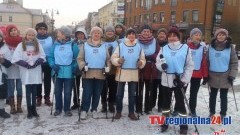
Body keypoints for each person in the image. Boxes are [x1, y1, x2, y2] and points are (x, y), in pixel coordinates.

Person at [155, 26, 194, 134]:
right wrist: (161, 66)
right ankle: (164, 123)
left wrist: (184, 80)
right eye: (170, 36)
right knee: (166, 104)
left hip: (179, 80)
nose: (172, 38)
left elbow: (189, 65)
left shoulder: (185, 48)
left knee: (180, 104)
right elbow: (158, 61)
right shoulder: (164, 48)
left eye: (174, 36)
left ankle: (183, 126)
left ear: (178, 37)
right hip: (166, 79)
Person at [111, 28, 146, 120]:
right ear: (126, 36)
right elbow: (113, 57)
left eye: (133, 34)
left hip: (133, 72)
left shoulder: (139, 46)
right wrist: (118, 60)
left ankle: (131, 112)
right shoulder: (121, 45)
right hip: (122, 72)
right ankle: (118, 111)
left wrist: (141, 63)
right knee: (119, 94)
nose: (131, 35)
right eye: (129, 34)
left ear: (135, 36)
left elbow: (143, 59)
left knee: (132, 94)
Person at [78, 26, 111, 120]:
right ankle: (84, 110)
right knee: (87, 92)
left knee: (97, 92)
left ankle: (94, 109)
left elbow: (108, 59)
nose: (96, 34)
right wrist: (82, 66)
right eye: (94, 33)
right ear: (91, 34)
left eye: (98, 33)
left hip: (100, 73)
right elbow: (80, 58)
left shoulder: (104, 45)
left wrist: (108, 67)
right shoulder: (85, 45)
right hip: (88, 72)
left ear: (101, 35)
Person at [12, 28, 46, 119]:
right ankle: (29, 110)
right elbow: (16, 57)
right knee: (28, 92)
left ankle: (34, 109)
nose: (31, 36)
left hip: (35, 70)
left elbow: (42, 56)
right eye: (29, 35)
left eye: (33, 35)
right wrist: (25, 64)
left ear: (35, 36)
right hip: (26, 70)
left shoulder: (37, 44)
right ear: (26, 35)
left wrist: (36, 62)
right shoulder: (21, 45)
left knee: (34, 91)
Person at [48, 26, 79, 117]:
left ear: (64, 35)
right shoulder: (55, 45)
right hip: (57, 72)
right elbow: (50, 57)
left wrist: (75, 67)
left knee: (67, 92)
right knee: (57, 91)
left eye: (59, 32)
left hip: (69, 72)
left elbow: (77, 58)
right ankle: (58, 108)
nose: (57, 34)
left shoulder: (73, 45)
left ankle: (67, 109)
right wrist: (53, 65)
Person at [207, 28, 238, 119]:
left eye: (223, 35)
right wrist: (206, 74)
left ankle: (223, 113)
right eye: (219, 34)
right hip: (212, 75)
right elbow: (207, 61)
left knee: (223, 96)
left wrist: (232, 75)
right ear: (216, 36)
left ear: (226, 36)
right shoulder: (211, 46)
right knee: (212, 95)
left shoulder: (230, 47)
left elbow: (234, 62)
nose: (221, 36)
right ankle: (212, 112)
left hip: (225, 75)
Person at [136, 24, 159, 114]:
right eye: (144, 31)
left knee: (149, 89)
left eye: (148, 31)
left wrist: (152, 56)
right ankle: (138, 107)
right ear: (141, 32)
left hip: (150, 67)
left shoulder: (154, 41)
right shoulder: (137, 41)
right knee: (139, 89)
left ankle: (148, 107)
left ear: (150, 32)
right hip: (140, 67)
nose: (146, 33)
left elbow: (158, 52)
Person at [188, 28, 208, 117]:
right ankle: (178, 108)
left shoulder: (203, 48)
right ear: (191, 37)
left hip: (197, 74)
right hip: (186, 73)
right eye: (196, 35)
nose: (198, 36)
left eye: (199, 35)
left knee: (193, 94)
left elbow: (204, 63)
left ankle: (192, 110)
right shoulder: (186, 47)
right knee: (181, 92)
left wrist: (205, 76)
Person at [4, 24, 23, 114]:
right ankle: (12, 106)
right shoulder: (5, 42)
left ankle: (19, 106)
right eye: (11, 31)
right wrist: (11, 61)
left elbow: (24, 53)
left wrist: (19, 61)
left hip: (19, 67)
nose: (13, 32)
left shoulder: (22, 41)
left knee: (19, 87)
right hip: (10, 68)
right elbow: (4, 54)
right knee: (11, 88)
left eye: (15, 30)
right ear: (8, 32)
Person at [100, 25, 118, 113]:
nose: (110, 33)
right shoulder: (101, 42)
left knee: (113, 87)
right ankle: (104, 104)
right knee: (103, 88)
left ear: (114, 32)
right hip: (104, 67)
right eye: (108, 31)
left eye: (111, 31)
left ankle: (111, 103)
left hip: (114, 68)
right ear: (105, 33)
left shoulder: (117, 42)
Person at [35, 22, 53, 106]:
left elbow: (53, 49)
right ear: (37, 30)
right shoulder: (34, 38)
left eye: (44, 29)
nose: (42, 31)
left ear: (46, 30)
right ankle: (38, 97)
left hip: (48, 62)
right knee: (38, 80)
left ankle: (47, 97)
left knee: (47, 81)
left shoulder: (50, 38)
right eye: (40, 29)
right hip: (37, 62)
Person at [71, 27, 88, 110]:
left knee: (85, 86)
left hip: (85, 66)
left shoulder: (88, 43)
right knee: (75, 85)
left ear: (84, 35)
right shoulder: (73, 43)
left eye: (81, 34)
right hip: (75, 66)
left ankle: (84, 103)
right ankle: (76, 102)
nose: (80, 36)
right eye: (78, 34)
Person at [151, 28, 168, 112]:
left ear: (166, 36)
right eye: (160, 33)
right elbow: (151, 53)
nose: (162, 35)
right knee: (153, 89)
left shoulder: (168, 45)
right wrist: (158, 57)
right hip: (154, 69)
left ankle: (160, 105)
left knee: (162, 90)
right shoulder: (153, 43)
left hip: (163, 71)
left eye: (163, 34)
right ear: (157, 35)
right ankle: (151, 104)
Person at [0, 30, 12, 118]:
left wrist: (2, 60)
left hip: (2, 74)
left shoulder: (5, 48)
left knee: (2, 93)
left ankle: (1, 110)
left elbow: (9, 63)